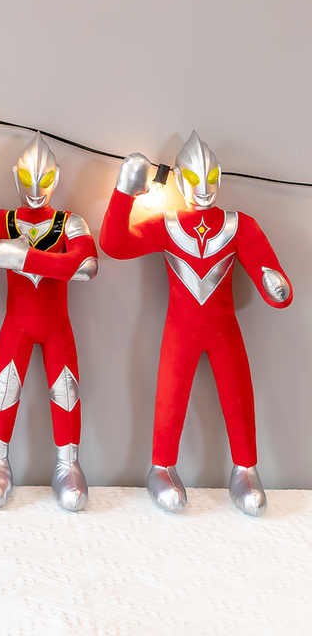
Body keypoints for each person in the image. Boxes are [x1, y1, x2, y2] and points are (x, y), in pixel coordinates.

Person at [99, 131, 293, 515]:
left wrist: (278, 286)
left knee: (238, 395)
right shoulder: (168, 224)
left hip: (223, 330)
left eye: (210, 177)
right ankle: (162, 467)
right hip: (181, 331)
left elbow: (270, 277)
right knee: (170, 397)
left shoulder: (239, 225)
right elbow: (114, 244)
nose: (203, 186)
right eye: (193, 178)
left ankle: (246, 469)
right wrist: (123, 193)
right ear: (179, 179)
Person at [0, 135, 98, 510]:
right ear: (15, 176)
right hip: (17, 325)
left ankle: (68, 463)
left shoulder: (70, 222)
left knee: (66, 392)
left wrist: (24, 259)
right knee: (3, 389)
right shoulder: (6, 220)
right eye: (27, 177)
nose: (36, 189)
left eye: (45, 178)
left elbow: (87, 266)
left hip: (57, 327)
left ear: (57, 176)